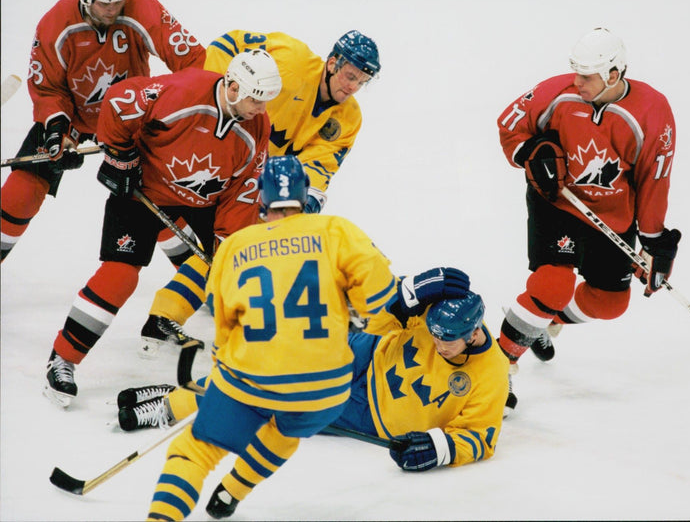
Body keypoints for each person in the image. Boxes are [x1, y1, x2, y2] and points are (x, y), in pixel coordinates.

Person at [143, 156, 471, 521]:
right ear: (305, 197)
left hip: (254, 379)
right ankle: (232, 492)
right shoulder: (336, 231)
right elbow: (379, 303)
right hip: (327, 391)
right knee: (285, 428)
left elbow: (225, 335)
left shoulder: (234, 246)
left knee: (195, 450)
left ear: (262, 201)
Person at [42, 49, 281, 407]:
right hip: (143, 190)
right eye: (255, 99)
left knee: (241, 266)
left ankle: (262, 362)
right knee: (120, 276)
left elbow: (243, 189)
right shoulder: (184, 91)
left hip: (203, 201)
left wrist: (227, 244)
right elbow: (120, 100)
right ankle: (62, 359)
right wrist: (119, 155)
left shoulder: (257, 127)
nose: (261, 109)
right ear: (232, 86)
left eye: (266, 101)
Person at [118, 291, 505, 511]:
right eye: (434, 335)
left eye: (446, 341)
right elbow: (385, 316)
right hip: (366, 354)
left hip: (367, 415)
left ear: (472, 333)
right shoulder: (440, 317)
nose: (437, 344)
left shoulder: (491, 373)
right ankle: (176, 401)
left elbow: (480, 436)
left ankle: (175, 400)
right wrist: (406, 297)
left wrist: (438, 448)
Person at [138, 29, 381, 358]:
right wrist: (210, 93)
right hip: (226, 152)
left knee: (231, 245)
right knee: (220, 241)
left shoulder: (349, 118)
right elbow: (231, 43)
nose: (353, 87)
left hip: (258, 180)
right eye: (351, 76)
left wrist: (299, 205)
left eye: (362, 82)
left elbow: (321, 167)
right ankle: (178, 308)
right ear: (333, 62)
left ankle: (166, 315)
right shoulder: (291, 60)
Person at [496, 27, 681, 414]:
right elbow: (509, 125)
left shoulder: (652, 111)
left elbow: (654, 177)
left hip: (610, 215)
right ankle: (497, 366)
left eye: (587, 75)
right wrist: (532, 150)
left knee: (610, 303)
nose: (576, 81)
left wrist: (653, 242)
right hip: (558, 201)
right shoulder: (556, 92)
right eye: (575, 71)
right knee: (553, 284)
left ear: (614, 75)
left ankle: (535, 325)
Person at [0, 0, 205, 263]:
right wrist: (57, 131)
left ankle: (197, 278)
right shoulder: (56, 20)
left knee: (155, 195)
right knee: (25, 186)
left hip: (130, 115)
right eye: (104, 3)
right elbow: (47, 87)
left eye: (117, 2)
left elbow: (192, 61)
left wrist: (176, 110)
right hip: (72, 112)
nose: (111, 10)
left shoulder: (142, 5)